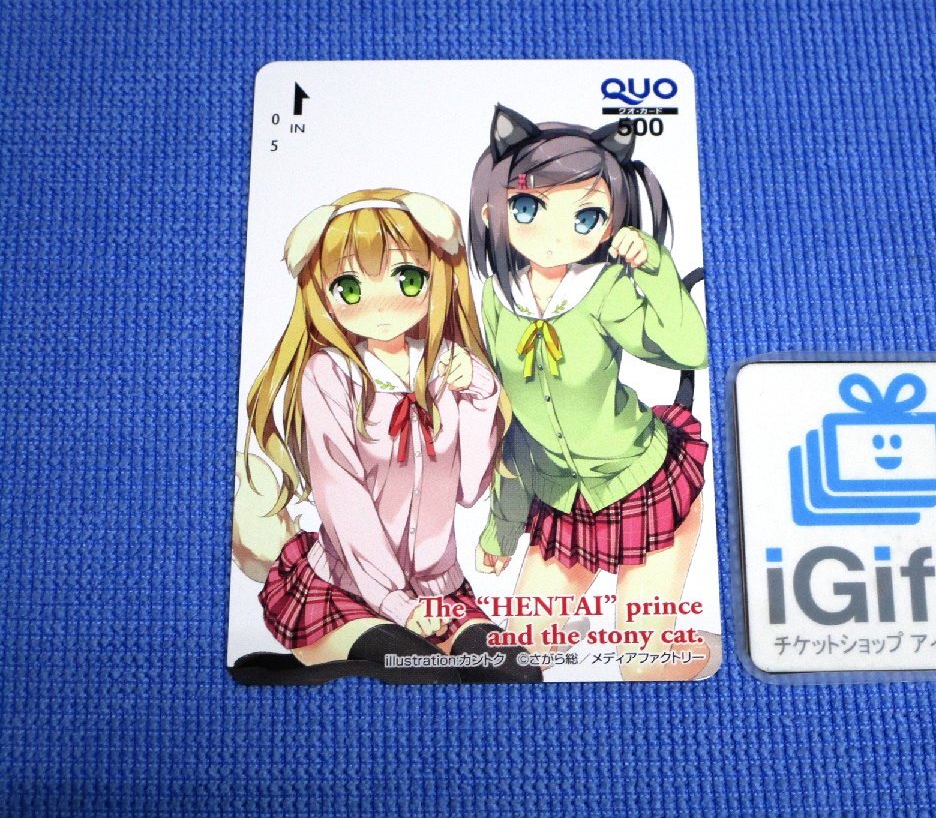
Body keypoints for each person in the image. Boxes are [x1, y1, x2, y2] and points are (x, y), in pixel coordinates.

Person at [232, 187, 539, 684]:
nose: (381, 305)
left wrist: (480, 397)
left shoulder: (449, 367)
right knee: (422, 673)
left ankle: (322, 667)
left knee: (514, 672)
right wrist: (397, 604)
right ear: (322, 294)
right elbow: (343, 497)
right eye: (350, 288)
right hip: (349, 586)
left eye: (407, 278)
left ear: (437, 277)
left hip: (439, 588)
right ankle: (312, 665)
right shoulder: (330, 374)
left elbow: (469, 489)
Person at [468, 106, 716, 681]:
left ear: (609, 225)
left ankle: (708, 649)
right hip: (563, 501)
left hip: (642, 485)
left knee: (642, 667)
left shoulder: (603, 289)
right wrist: (502, 527)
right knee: (517, 660)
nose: (556, 235)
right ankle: (580, 627)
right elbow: (513, 426)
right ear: (493, 211)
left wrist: (655, 268)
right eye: (528, 208)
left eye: (585, 216)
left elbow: (690, 349)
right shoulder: (496, 299)